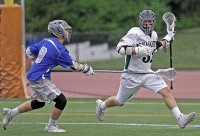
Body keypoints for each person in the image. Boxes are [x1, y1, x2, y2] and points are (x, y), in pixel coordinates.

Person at [96, 10, 195, 129]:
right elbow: (120, 48)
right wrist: (137, 50)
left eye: (150, 21)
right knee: (119, 102)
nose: (147, 24)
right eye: (145, 21)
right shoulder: (134, 32)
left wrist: (168, 38)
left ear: (154, 22)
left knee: (166, 91)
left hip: (147, 73)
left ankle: (180, 118)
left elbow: (155, 46)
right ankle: (102, 106)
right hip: (132, 75)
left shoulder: (153, 35)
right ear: (140, 21)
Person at [2, 20, 94, 133]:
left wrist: (37, 63)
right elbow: (74, 66)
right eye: (65, 29)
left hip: (33, 76)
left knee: (39, 103)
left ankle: (11, 113)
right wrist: (87, 69)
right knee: (61, 101)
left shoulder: (47, 41)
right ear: (58, 31)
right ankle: (50, 126)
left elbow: (29, 51)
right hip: (40, 78)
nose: (67, 32)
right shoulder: (59, 50)